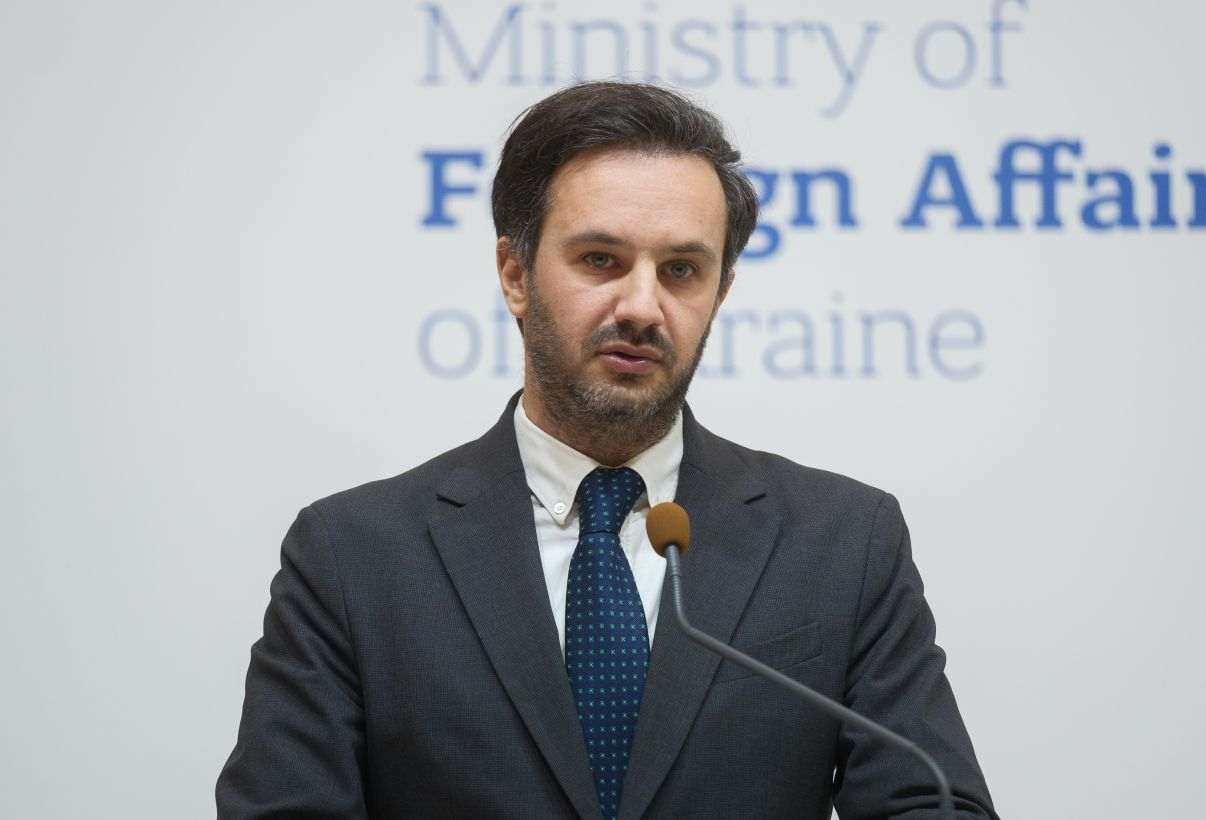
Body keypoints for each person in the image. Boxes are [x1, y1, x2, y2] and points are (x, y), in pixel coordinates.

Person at [216, 81, 998, 820]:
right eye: (601, 260)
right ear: (515, 274)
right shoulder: (353, 556)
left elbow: (930, 802)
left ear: (720, 293)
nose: (642, 306)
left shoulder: (841, 541)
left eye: (682, 270)